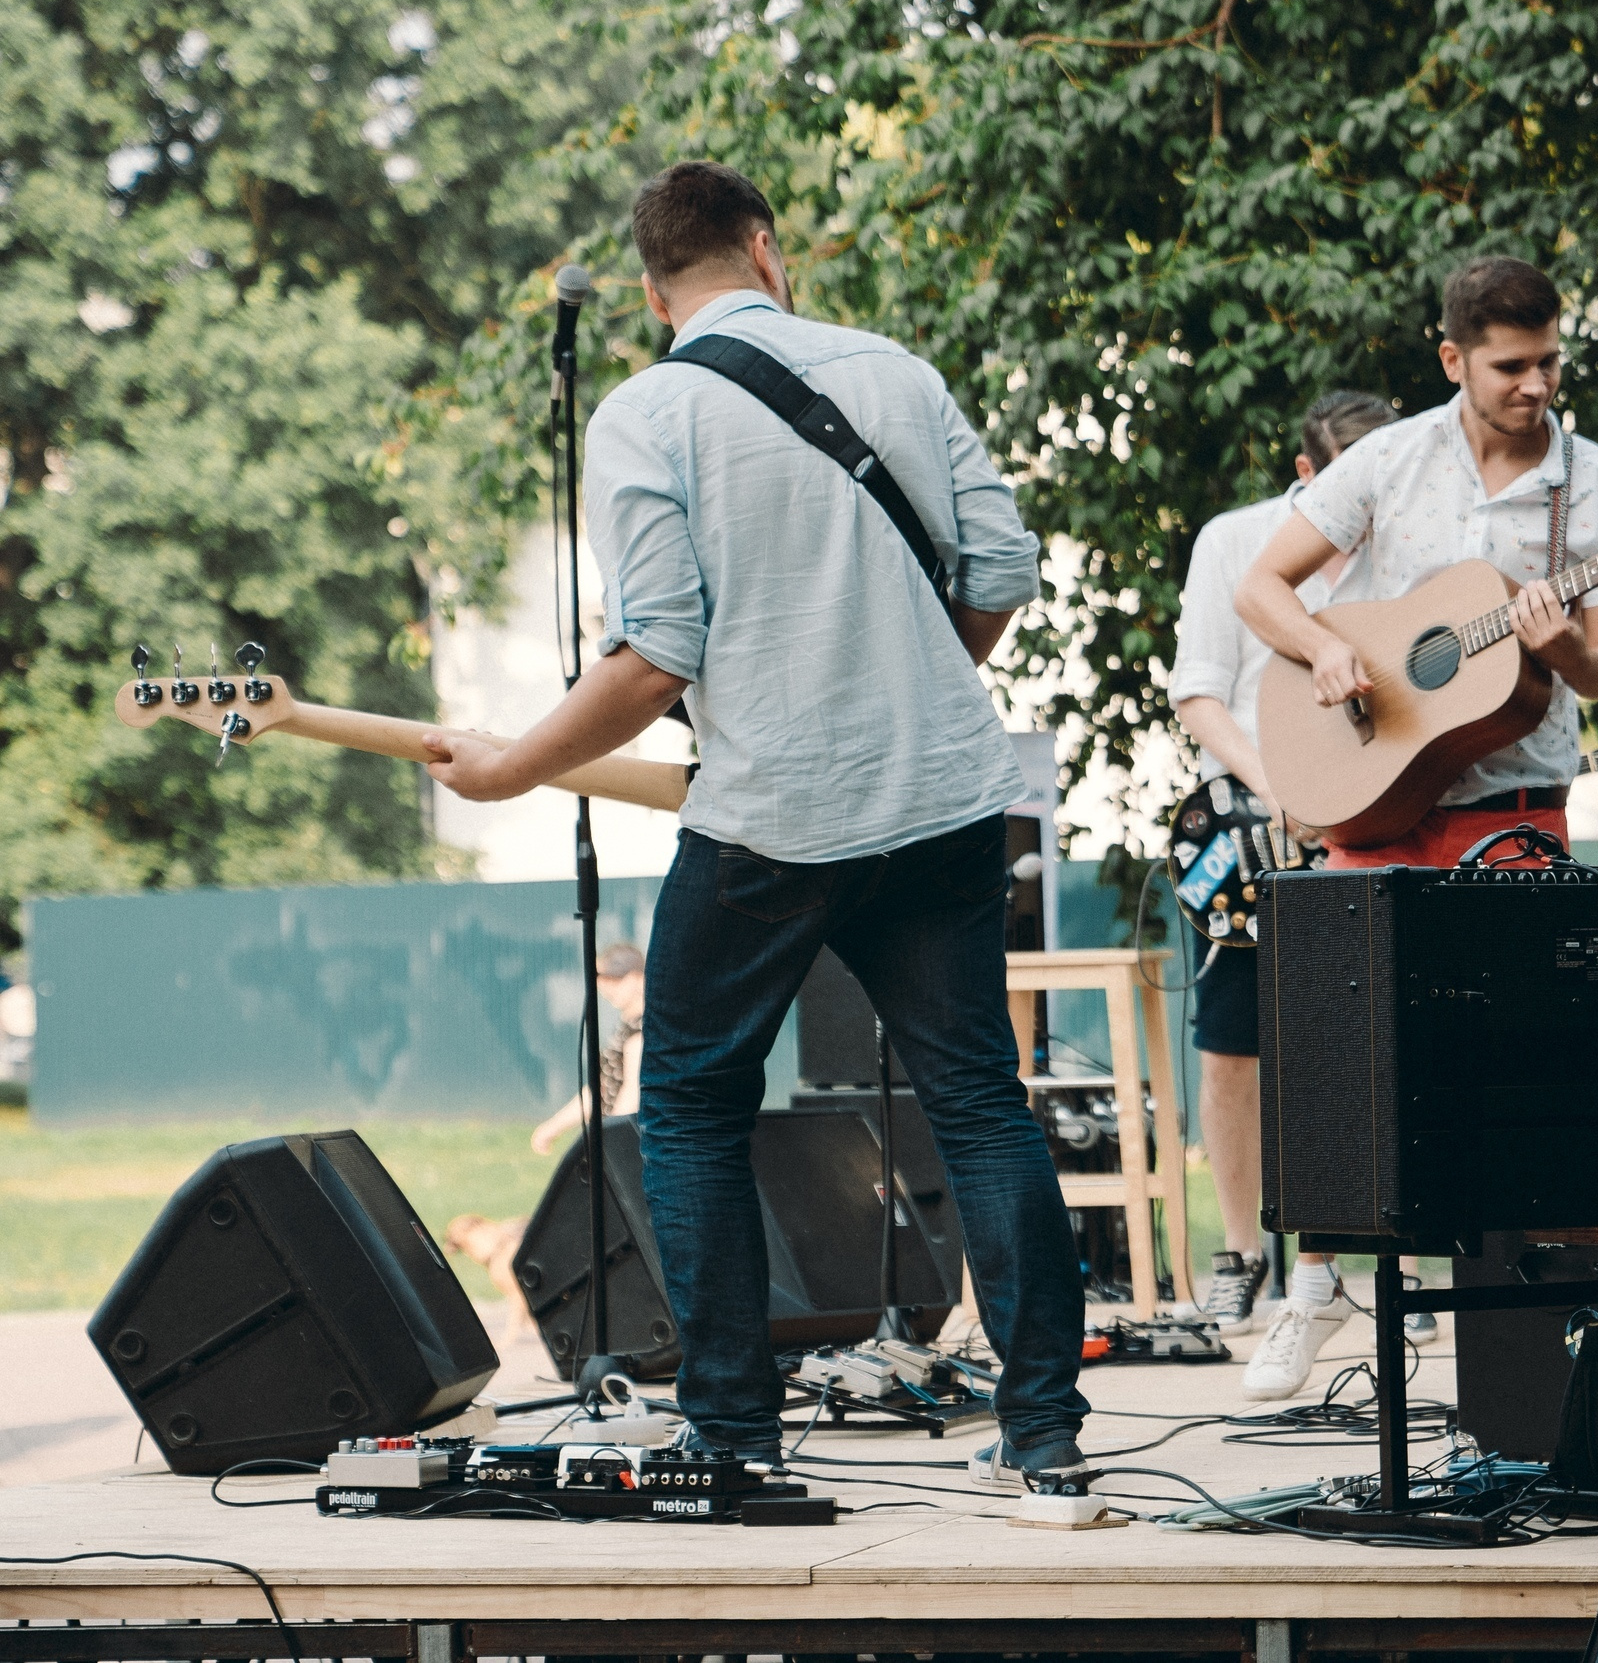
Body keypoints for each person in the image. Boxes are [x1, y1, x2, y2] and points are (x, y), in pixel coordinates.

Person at [423, 160, 1092, 1489]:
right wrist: (909, 668)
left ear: (655, 287)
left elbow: (653, 655)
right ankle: (1046, 1437)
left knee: (685, 1101)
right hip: (947, 793)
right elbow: (1004, 568)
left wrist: (508, 770)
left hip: (772, 814)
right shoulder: (896, 371)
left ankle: (730, 1430)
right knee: (975, 1094)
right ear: (765, 250)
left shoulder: (646, 411)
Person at [1233, 256, 1598, 1398]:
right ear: (1452, 358)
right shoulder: (1391, 458)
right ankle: (1313, 1286)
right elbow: (1262, 588)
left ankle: (1525, 1346)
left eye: (1551, 362)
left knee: (1521, 1057)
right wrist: (1323, 648)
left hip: (1511, 808)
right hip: (1372, 785)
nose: (1535, 386)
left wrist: (1556, 642)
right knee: (1335, 1048)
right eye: (1510, 367)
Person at [1168, 392, 1407, 1380]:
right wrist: (1280, 787)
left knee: (1371, 1041)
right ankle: (1241, 1251)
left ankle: (1380, 1266)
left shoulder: (1411, 543)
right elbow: (1198, 691)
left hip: (1381, 808)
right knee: (1233, 1041)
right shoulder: (1236, 542)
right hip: (1253, 816)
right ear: (1309, 478)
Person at [530, 942, 647, 1155]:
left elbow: (633, 1093)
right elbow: (601, 1088)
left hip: (633, 1147)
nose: (604, 985)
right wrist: (553, 1127)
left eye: (614, 977)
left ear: (638, 978)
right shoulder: (627, 1029)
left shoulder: (641, 1032)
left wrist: (613, 1144)